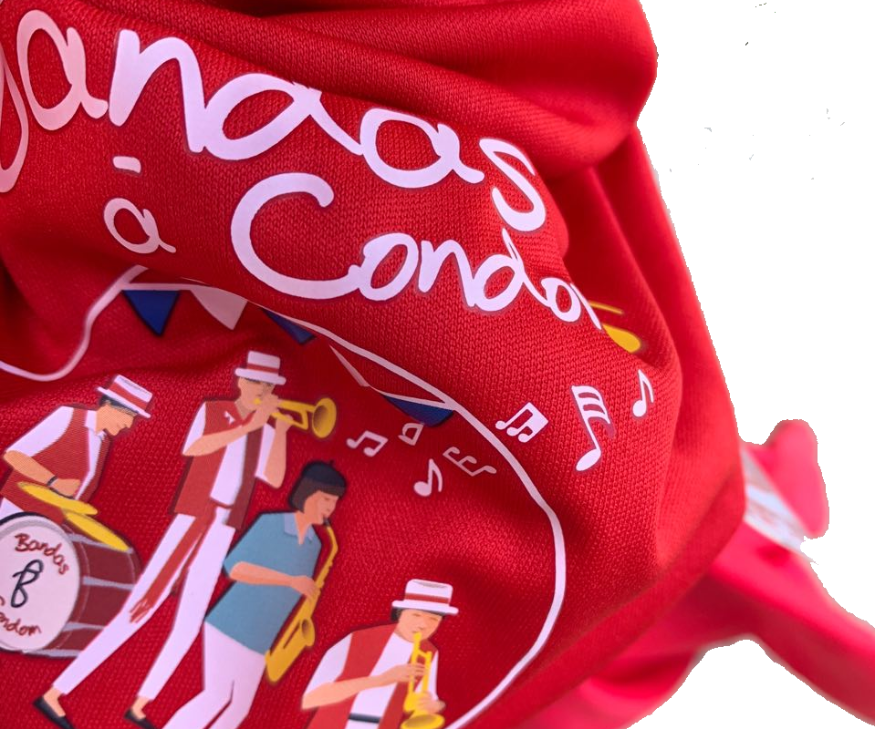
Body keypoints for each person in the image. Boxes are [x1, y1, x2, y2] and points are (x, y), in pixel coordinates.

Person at [37, 351, 292, 729]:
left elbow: (274, 477)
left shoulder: (265, 431)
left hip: (222, 528)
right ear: (240, 381)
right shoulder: (215, 411)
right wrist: (249, 425)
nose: (262, 391)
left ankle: (142, 703)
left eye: (268, 386)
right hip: (191, 519)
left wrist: (280, 432)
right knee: (141, 606)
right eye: (256, 382)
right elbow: (195, 448)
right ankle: (57, 691)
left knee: (188, 621)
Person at [162, 459, 347, 729]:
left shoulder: (315, 544)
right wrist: (290, 581)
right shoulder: (271, 524)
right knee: (215, 696)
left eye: (334, 502)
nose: (330, 508)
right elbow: (235, 567)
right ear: (307, 493)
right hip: (229, 625)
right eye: (326, 499)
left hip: (262, 640)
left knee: (239, 710)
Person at [302, 579, 457, 729]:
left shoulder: (429, 652)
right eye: (416, 615)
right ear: (400, 614)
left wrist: (435, 705)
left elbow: (430, 700)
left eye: (433, 619)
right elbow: (310, 698)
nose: (423, 625)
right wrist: (381, 679)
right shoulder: (358, 639)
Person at [0, 375, 153, 522]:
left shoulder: (102, 441)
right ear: (108, 405)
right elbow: (13, 455)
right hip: (19, 509)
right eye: (128, 414)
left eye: (133, 417)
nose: (128, 423)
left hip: (50, 523)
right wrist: (53, 482)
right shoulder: (68, 416)